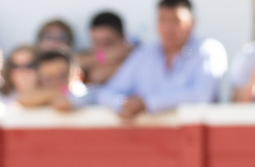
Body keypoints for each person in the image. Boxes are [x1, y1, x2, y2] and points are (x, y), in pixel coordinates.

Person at [97, 0, 227, 118]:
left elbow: (201, 95)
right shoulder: (143, 55)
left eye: (176, 21)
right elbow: (107, 92)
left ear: (192, 23)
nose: (168, 28)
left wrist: (146, 103)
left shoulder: (207, 50)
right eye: (163, 20)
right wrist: (123, 104)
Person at [14, 48, 91, 111]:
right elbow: (22, 99)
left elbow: (67, 103)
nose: (55, 82)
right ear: (40, 80)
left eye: (62, 76)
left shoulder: (88, 94)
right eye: (48, 79)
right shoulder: (38, 97)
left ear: (78, 76)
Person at [81, 11, 134, 85]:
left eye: (107, 43)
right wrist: (103, 56)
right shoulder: (86, 54)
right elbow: (73, 63)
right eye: (96, 42)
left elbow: (98, 75)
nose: (101, 48)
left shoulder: (136, 57)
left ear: (122, 38)